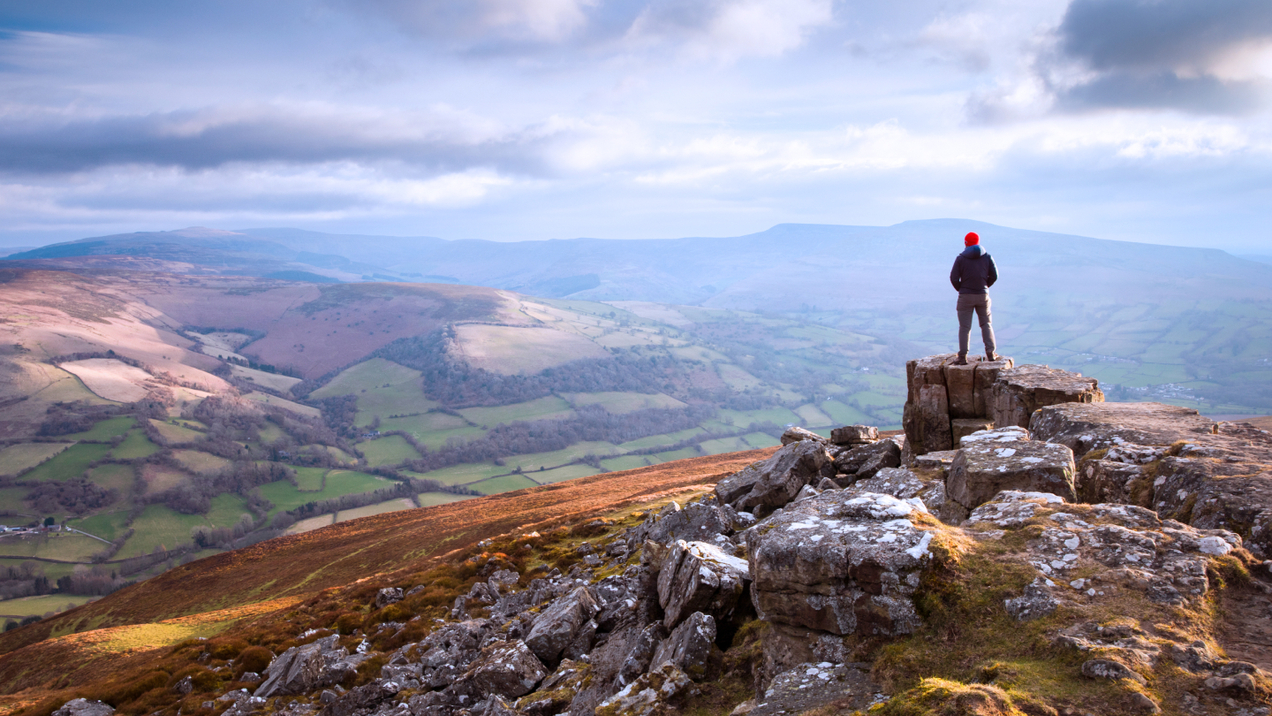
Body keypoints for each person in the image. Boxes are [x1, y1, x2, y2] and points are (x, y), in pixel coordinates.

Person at [949, 231, 999, 365]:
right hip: (983, 295)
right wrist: (984, 286)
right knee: (986, 324)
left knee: (965, 327)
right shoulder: (987, 257)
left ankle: (962, 357)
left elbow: (953, 278)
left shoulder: (960, 258)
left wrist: (962, 289)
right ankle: (991, 353)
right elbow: (994, 275)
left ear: (966, 243)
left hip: (965, 296)